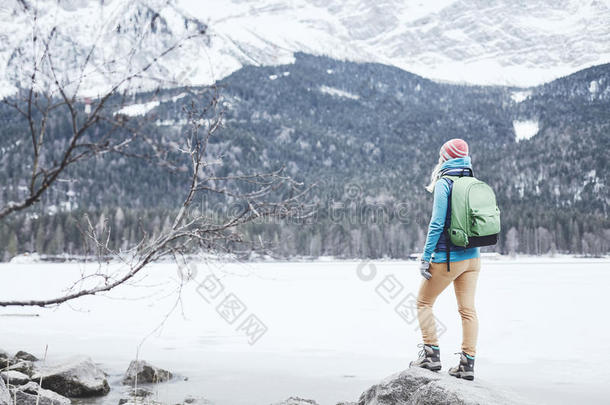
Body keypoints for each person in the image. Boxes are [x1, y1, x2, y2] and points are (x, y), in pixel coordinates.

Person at [409, 138, 480, 381]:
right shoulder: (472, 181)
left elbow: (437, 223)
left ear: (445, 157)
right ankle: (467, 364)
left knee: (423, 303)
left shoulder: (445, 182)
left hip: (448, 258)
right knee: (468, 310)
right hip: (474, 258)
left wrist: (425, 257)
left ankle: (431, 356)